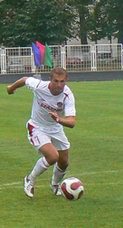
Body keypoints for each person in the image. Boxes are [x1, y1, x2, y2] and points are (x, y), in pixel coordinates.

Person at [7, 67, 76, 198]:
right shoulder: (39, 86)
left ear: (66, 80)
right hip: (37, 127)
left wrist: (58, 119)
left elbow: (72, 122)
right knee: (53, 157)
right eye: (56, 81)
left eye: (62, 81)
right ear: (50, 79)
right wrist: (11, 88)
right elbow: (24, 80)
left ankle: (55, 186)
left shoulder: (67, 95)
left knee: (64, 162)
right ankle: (30, 179)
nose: (59, 85)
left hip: (56, 128)